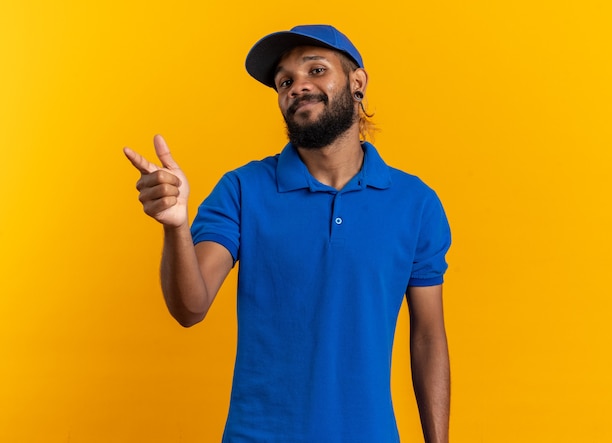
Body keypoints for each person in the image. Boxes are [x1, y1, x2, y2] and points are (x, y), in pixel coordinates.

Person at [124, 24, 452, 443]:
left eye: (316, 70)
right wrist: (175, 228)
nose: (298, 86)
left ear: (357, 82)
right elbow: (190, 308)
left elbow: (428, 336)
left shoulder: (415, 203)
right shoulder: (243, 189)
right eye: (285, 81)